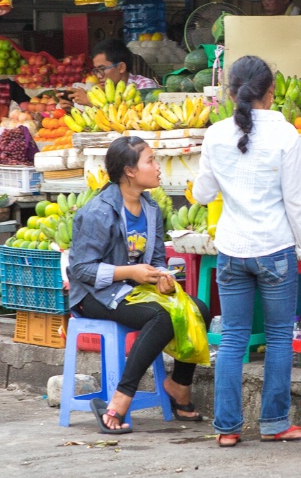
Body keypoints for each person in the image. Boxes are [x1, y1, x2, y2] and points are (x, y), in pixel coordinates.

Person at [192, 55, 301, 447]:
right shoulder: (286, 135)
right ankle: (275, 423)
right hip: (275, 249)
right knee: (280, 338)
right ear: (272, 92)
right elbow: (296, 202)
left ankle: (227, 428)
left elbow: (202, 194)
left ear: (231, 92)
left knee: (232, 339)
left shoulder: (215, 134)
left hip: (231, 250)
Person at [68, 136, 212, 434]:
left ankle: (179, 386)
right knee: (160, 317)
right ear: (130, 171)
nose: (157, 167)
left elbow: (158, 258)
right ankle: (121, 398)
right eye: (150, 160)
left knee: (197, 308)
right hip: (94, 295)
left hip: (132, 291)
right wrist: (129, 272)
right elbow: (80, 269)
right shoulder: (99, 212)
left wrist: (163, 279)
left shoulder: (150, 210)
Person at [66, 39, 159, 108]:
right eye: (96, 70)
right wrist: (70, 110)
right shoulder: (99, 92)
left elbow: (135, 118)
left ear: (121, 67)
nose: (98, 76)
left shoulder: (145, 86)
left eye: (102, 69)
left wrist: (91, 103)